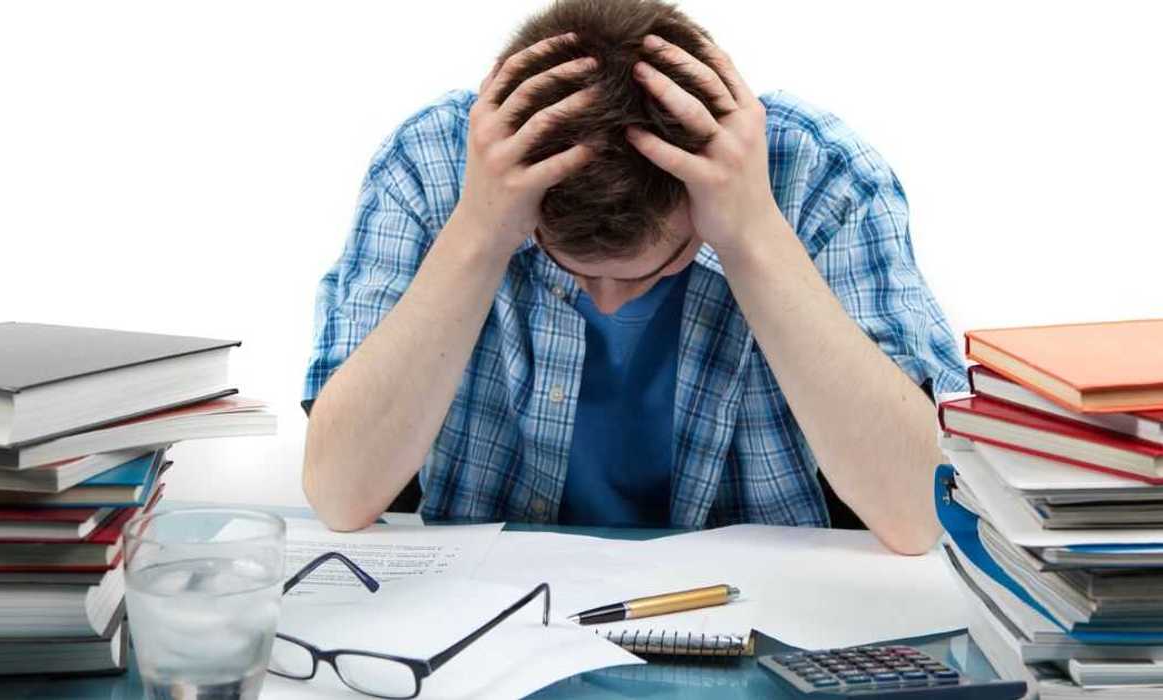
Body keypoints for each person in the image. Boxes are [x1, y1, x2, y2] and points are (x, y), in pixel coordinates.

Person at [300, 0, 966, 554]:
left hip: (759, 613)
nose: (605, 300)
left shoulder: (821, 174)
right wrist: (479, 232)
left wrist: (752, 234)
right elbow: (338, 492)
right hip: (490, 613)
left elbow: (920, 512)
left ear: (698, 199)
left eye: (649, 269)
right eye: (572, 268)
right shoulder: (430, 163)